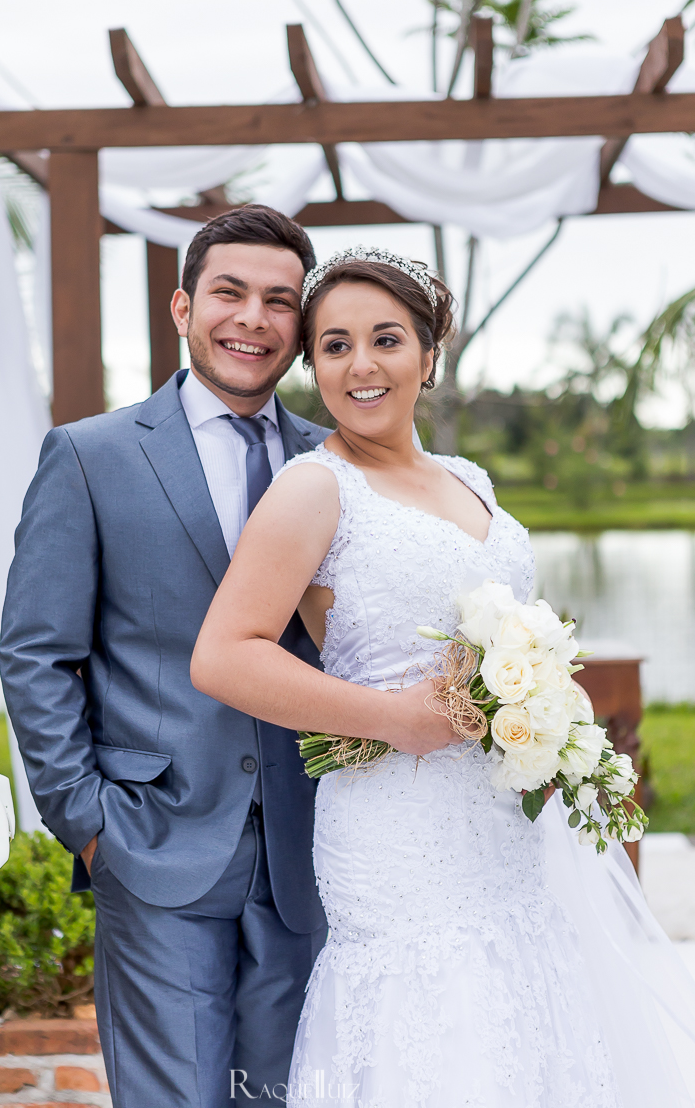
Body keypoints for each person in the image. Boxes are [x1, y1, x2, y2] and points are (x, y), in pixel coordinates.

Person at [192, 246, 695, 1107]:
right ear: (314, 366)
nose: (361, 364)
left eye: (386, 339)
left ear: (430, 356)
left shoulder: (470, 480)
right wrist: (393, 716)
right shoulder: (315, 489)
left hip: (504, 822)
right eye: (336, 346)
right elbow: (224, 654)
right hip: (396, 830)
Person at [2, 205, 353, 1108]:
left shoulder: (336, 465)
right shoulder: (90, 456)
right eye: (230, 293)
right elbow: (38, 654)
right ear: (183, 307)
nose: (253, 319)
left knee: (288, 1096)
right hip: (152, 842)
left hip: (312, 854)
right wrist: (89, 824)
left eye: (280, 301)